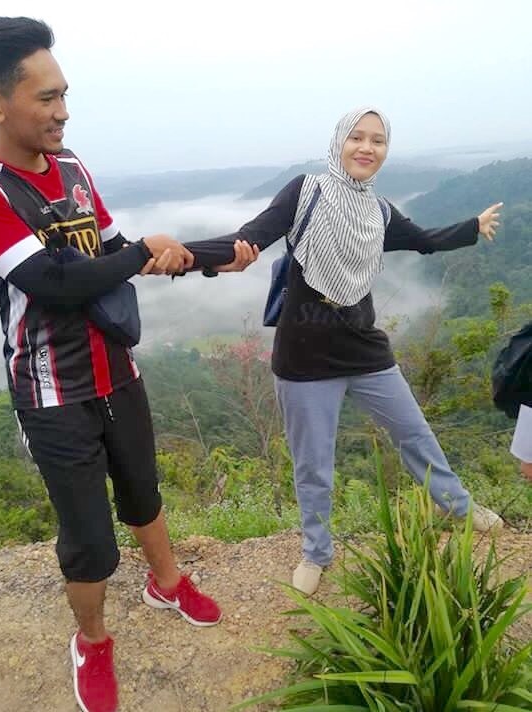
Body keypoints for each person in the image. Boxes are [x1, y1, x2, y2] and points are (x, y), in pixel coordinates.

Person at [0, 16, 258, 712]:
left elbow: (112, 251)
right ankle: (93, 640)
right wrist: (142, 251)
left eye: (65, 95)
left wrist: (211, 258)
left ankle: (166, 583)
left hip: (117, 370)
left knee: (142, 490)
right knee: (88, 537)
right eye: (46, 97)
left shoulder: (74, 170)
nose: (63, 111)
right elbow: (51, 280)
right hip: (51, 391)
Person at [182, 107, 504, 596]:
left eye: (377, 140)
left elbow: (422, 240)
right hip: (304, 355)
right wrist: (182, 257)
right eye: (357, 137)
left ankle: (458, 506)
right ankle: (316, 551)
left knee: (415, 434)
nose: (366, 148)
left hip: (363, 346)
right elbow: (248, 238)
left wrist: (471, 227)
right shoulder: (305, 192)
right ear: (339, 142)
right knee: (313, 464)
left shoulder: (379, 212)